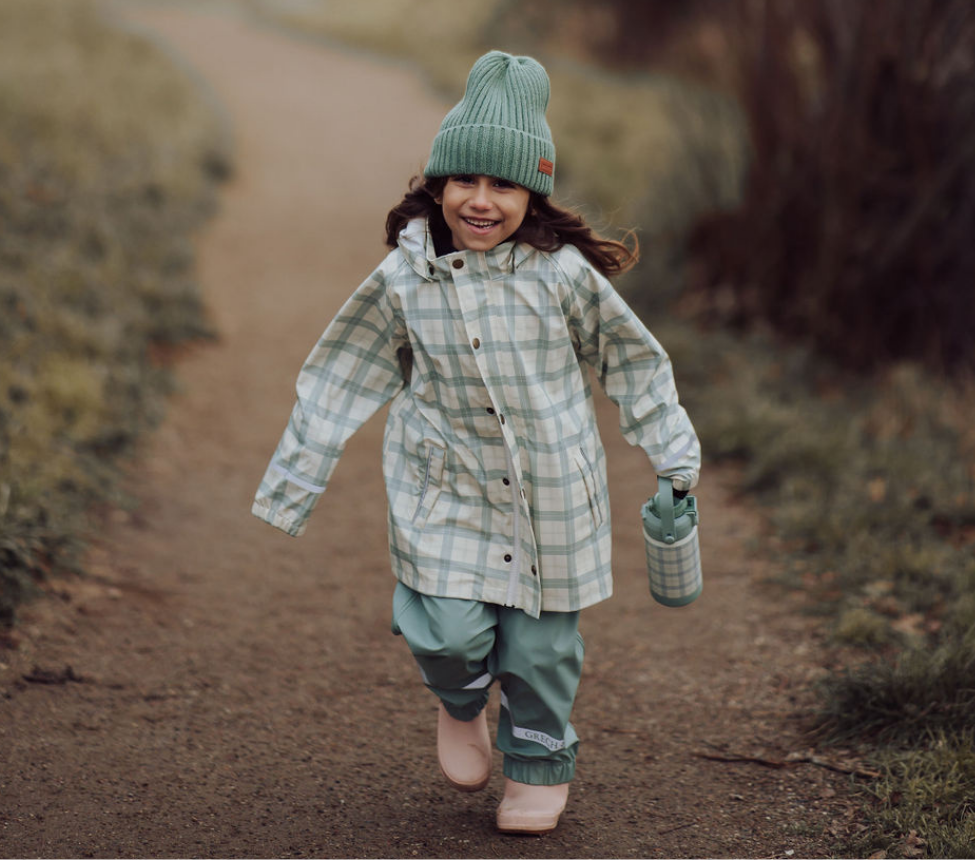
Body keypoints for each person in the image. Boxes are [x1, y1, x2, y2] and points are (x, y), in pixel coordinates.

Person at [252, 50, 700, 835]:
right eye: (464, 180)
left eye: (503, 184)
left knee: (540, 653)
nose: (481, 201)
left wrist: (672, 456)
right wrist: (295, 481)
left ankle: (536, 765)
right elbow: (341, 374)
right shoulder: (405, 277)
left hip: (551, 495)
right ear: (436, 183)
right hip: (445, 487)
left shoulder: (562, 277)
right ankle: (459, 703)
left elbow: (633, 364)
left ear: (534, 192)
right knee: (450, 632)